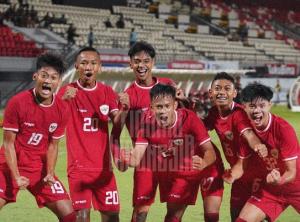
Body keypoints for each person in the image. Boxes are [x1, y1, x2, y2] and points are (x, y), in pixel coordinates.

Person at [110, 41, 195, 222]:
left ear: (153, 62)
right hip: (145, 161)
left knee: (175, 212)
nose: (142, 65)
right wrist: (117, 157)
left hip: (174, 158)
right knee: (140, 213)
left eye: (146, 61)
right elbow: (115, 132)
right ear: (130, 64)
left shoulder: (167, 85)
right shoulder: (128, 95)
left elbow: (189, 117)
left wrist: (185, 100)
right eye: (137, 61)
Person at [119, 83, 223, 222]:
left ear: (174, 105)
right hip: (165, 168)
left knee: (173, 217)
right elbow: (137, 157)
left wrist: (203, 162)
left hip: (187, 171)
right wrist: (128, 159)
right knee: (140, 212)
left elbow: (210, 152)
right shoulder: (146, 123)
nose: (163, 111)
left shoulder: (189, 119)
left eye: (167, 106)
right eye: (158, 107)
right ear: (151, 107)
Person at [0, 53, 76, 222]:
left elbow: (53, 146)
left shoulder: (62, 109)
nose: (48, 81)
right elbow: (8, 144)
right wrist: (16, 176)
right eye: (44, 76)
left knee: (71, 216)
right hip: (8, 164)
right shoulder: (17, 102)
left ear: (58, 82)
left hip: (38, 167)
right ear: (36, 76)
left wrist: (49, 173)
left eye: (53, 77)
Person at [57, 47, 120, 222]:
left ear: (100, 67)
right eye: (84, 63)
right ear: (76, 66)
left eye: (93, 63)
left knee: (112, 216)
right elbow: (53, 123)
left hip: (104, 170)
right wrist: (63, 102)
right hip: (78, 169)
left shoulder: (107, 92)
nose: (88, 67)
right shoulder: (67, 91)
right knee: (82, 217)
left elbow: (117, 124)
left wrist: (126, 109)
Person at [203, 72, 268, 221]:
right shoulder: (214, 113)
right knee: (235, 216)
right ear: (211, 92)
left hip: (256, 174)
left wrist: (258, 145)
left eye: (227, 89)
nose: (222, 92)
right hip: (238, 176)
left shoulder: (239, 114)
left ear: (234, 93)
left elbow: (250, 135)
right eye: (218, 88)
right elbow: (199, 129)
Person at [236, 83, 300, 222]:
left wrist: (279, 180)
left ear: (270, 105)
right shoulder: (245, 129)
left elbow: (292, 172)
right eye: (252, 106)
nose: (257, 110)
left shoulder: (283, 129)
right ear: (244, 107)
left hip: (296, 185)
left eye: (262, 105)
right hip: (271, 190)